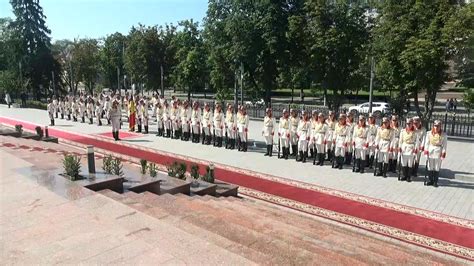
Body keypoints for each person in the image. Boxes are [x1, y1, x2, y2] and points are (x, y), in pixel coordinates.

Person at [424, 120, 447, 187]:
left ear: (440, 126)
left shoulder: (443, 135)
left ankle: (435, 181)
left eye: (438, 126)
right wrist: (426, 152)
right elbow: (427, 143)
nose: (436, 127)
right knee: (430, 166)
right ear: (433, 126)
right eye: (435, 126)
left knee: (437, 167)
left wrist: (443, 154)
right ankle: (430, 180)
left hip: (438, 152)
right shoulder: (429, 133)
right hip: (430, 151)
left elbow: (444, 145)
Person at [398, 118, 417, 182]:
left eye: (409, 123)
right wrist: (400, 147)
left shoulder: (415, 132)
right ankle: (404, 175)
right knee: (404, 162)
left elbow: (417, 142)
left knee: (410, 163)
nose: (408, 125)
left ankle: (409, 177)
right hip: (404, 147)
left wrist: (415, 149)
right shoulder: (403, 131)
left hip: (411, 147)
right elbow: (400, 140)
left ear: (412, 124)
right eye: (407, 123)